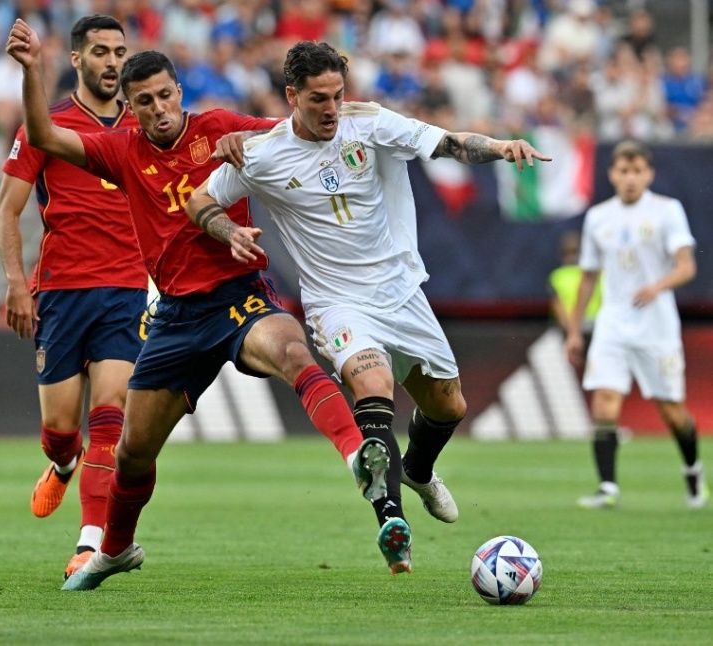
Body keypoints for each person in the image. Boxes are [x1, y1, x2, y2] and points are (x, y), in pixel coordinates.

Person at [5, 19, 406, 587]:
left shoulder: (219, 127)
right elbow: (44, 136)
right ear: (130, 106)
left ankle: (357, 458)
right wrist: (32, 71)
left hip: (237, 298)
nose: (159, 108)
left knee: (293, 351)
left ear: (179, 93)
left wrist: (272, 135)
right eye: (144, 101)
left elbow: (303, 130)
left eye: (166, 95)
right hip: (173, 318)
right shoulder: (120, 150)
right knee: (131, 456)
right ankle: (115, 549)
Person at [186, 41, 551, 569]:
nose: (331, 108)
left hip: (400, 290)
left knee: (449, 407)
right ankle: (391, 524)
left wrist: (499, 146)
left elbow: (447, 143)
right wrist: (229, 231)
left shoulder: (371, 123)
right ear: (291, 96)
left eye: (337, 95)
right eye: (317, 99)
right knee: (371, 381)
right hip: (336, 302)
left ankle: (418, 472)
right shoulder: (261, 154)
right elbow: (200, 199)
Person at [0, 14, 146, 582]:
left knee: (111, 415)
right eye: (101, 52)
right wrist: (15, 282)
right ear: (78, 60)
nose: (113, 62)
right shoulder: (47, 123)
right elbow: (6, 211)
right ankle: (61, 463)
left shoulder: (142, 123)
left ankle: (90, 544)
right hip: (60, 291)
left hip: (127, 290)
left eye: (120, 52)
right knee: (61, 432)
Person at [565, 140, 708, 510]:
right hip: (613, 322)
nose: (630, 178)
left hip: (656, 325)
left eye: (637, 171)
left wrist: (657, 286)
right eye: (623, 171)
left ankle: (692, 469)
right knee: (604, 403)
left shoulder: (666, 210)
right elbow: (588, 277)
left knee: (670, 408)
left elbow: (686, 265)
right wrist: (574, 329)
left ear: (649, 174)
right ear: (612, 174)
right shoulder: (598, 217)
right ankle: (608, 487)